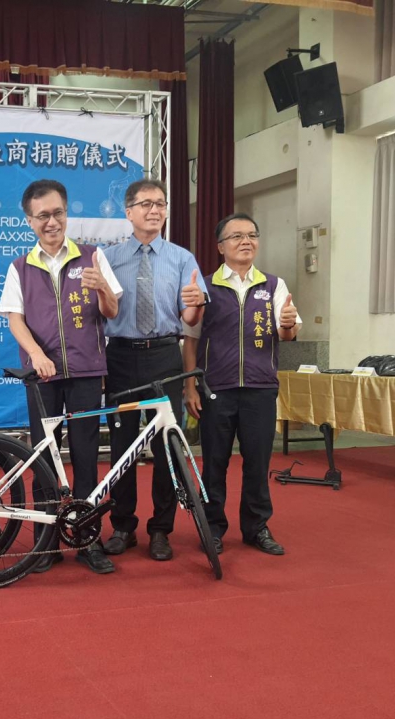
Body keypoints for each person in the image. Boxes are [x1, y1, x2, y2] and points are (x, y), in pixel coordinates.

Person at [0, 179, 123, 575]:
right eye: (42, 216)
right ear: (29, 220)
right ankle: (46, 543)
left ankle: (87, 539)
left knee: (86, 456)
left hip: (86, 373)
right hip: (43, 378)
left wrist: (102, 289)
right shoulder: (20, 266)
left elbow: (112, 311)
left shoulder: (92, 256)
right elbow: (14, 318)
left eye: (57, 213)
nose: (51, 222)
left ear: (66, 213)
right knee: (44, 459)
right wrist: (36, 354)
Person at [182, 212, 301, 556]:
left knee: (257, 463)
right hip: (216, 389)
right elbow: (190, 339)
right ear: (221, 246)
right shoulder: (205, 287)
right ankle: (212, 527)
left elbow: (287, 333)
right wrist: (190, 387)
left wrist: (288, 324)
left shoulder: (274, 285)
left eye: (251, 235)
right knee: (214, 463)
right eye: (236, 236)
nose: (246, 241)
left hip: (260, 389)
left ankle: (256, 527)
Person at [101, 179, 207, 562]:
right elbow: (100, 313)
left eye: (160, 204)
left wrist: (195, 304)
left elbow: (190, 318)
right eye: (146, 204)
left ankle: (161, 529)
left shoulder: (182, 258)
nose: (154, 210)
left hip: (165, 356)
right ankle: (123, 527)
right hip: (121, 357)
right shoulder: (108, 258)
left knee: (166, 447)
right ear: (128, 212)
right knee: (122, 448)